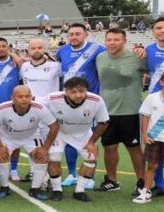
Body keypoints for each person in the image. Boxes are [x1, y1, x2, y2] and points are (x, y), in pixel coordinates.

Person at [95, 28, 148, 192]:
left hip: (130, 111)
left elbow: (155, 72)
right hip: (107, 111)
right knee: (109, 147)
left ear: (125, 41)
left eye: (116, 39)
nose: (112, 42)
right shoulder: (100, 57)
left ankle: (141, 182)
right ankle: (112, 180)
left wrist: (143, 50)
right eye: (109, 39)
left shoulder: (137, 57)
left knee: (134, 148)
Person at [56, 23, 106, 187]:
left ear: (86, 35)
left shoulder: (97, 49)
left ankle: (89, 177)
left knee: (90, 139)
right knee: (69, 139)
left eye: (78, 34)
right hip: (67, 103)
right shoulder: (62, 51)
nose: (74, 37)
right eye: (71, 34)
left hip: (88, 103)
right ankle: (71, 174)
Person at [45, 77, 109, 202]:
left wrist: (92, 142)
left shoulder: (96, 100)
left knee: (91, 158)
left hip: (84, 134)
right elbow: (33, 101)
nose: (78, 95)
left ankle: (79, 191)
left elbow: (104, 122)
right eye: (73, 92)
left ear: (86, 90)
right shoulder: (53, 98)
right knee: (54, 157)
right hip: (60, 132)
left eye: (82, 91)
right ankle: (57, 190)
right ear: (66, 92)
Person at [0, 86, 59, 200]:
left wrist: (45, 148)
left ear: (31, 97)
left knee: (42, 156)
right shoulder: (2, 109)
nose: (24, 99)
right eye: (20, 96)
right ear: (12, 98)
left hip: (31, 136)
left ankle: (35, 189)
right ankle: (4, 187)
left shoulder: (40, 108)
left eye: (27, 96)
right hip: (8, 137)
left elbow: (54, 126)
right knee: (1, 155)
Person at [17, 38, 62, 180]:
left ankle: (51, 177)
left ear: (44, 49)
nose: (36, 51)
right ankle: (34, 171)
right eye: (33, 48)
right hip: (29, 112)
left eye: (39, 48)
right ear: (28, 50)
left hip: (49, 113)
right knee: (32, 145)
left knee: (51, 148)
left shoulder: (56, 66)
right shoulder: (24, 67)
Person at [135, 74, 164, 203]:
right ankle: (146, 192)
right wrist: (145, 135)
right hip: (154, 138)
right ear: (162, 82)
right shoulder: (152, 98)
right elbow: (145, 116)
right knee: (152, 165)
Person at [144, 17, 164, 194]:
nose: (162, 31)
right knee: (156, 146)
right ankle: (159, 184)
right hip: (156, 106)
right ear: (153, 31)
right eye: (158, 28)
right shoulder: (148, 50)